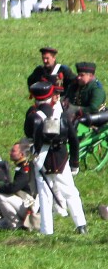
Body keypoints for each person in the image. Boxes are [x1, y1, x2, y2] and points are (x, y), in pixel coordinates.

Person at [23, 81, 87, 235]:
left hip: (42, 160)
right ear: (51, 97)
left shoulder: (33, 117)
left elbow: (28, 135)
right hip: (61, 159)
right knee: (70, 192)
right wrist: (75, 164)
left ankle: (47, 230)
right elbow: (74, 140)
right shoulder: (63, 116)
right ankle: (81, 225)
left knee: (45, 196)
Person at [0, 140, 38, 230]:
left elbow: (14, 188)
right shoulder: (21, 167)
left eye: (13, 151)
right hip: (22, 204)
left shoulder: (25, 168)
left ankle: (17, 225)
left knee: (0, 197)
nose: (10, 153)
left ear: (21, 154)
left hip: (29, 205)